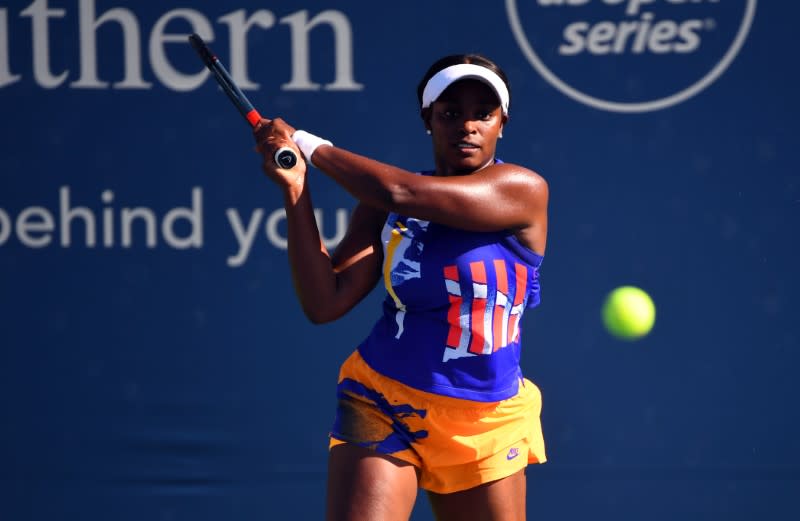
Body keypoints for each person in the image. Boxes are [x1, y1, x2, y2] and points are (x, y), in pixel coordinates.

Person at [254, 53, 549, 521]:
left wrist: (307, 143)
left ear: (502, 123)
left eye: (483, 113)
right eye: (450, 113)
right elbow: (325, 302)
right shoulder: (382, 207)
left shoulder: (523, 190)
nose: (467, 125)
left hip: (487, 423)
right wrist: (296, 191)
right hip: (383, 400)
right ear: (427, 120)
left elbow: (402, 193)